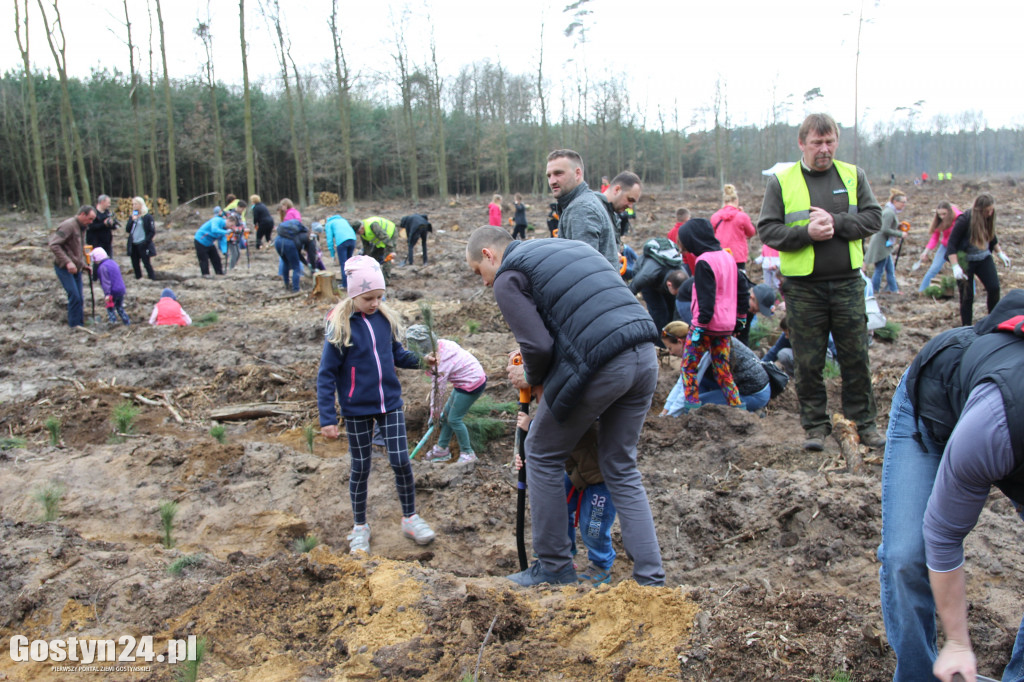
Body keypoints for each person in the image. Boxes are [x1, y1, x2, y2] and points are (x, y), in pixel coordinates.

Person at [465, 225, 664, 587]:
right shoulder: (569, 247)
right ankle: (651, 579)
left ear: (489, 256)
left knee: (541, 452)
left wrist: (529, 375)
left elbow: (538, 347)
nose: (484, 283)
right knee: (620, 464)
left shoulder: (509, 275)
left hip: (604, 363)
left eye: (479, 273)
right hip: (644, 354)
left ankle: (555, 567)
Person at [878, 290, 1024, 682]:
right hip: (935, 407)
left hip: (999, 419)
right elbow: (943, 536)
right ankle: (917, 674)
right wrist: (958, 642)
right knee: (906, 555)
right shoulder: (994, 425)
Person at [756, 112, 884, 452]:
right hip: (803, 289)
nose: (824, 149)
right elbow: (767, 230)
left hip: (847, 284)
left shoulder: (853, 175)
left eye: (830, 142)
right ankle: (815, 425)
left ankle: (864, 424)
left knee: (855, 356)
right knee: (808, 361)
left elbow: (874, 217)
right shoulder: (781, 181)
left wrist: (837, 223)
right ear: (802, 144)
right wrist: (806, 233)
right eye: (817, 143)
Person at [316, 256, 436, 554]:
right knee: (360, 466)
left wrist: (422, 361)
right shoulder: (340, 327)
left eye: (380, 297)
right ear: (353, 294)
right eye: (368, 297)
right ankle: (360, 527)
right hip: (356, 409)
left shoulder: (384, 319)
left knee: (401, 460)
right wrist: (327, 418)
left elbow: (396, 353)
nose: (375, 303)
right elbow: (326, 375)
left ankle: (410, 517)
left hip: (390, 404)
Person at [514, 405, 616, 586]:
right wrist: (526, 455)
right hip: (576, 472)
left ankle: (601, 566)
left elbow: (566, 430)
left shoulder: (585, 401)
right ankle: (564, 552)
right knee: (558, 508)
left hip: (601, 479)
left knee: (593, 527)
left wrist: (533, 426)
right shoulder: (553, 402)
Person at [675, 218, 744, 411]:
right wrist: (740, 320)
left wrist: (698, 329)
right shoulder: (727, 256)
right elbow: (742, 288)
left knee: (689, 367)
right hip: (725, 327)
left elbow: (706, 299)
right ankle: (738, 408)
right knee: (723, 370)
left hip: (705, 326)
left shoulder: (704, 261)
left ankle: (692, 409)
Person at [405, 324, 487, 464]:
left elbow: (438, 393)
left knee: (454, 419)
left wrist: (434, 416)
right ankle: (442, 449)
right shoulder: (442, 344)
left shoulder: (440, 365)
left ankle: (468, 453)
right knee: (447, 416)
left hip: (472, 384)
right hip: (464, 381)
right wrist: (438, 416)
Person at [660, 321, 771, 413]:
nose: (670, 353)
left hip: (754, 394)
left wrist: (671, 416)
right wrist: (665, 410)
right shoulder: (697, 339)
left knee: (696, 408)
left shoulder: (702, 349)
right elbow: (683, 382)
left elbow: (688, 388)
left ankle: (748, 412)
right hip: (743, 385)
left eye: (670, 348)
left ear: (680, 342)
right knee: (700, 383)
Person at [947, 193, 1010, 326]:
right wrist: (955, 266)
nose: (990, 213)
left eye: (991, 210)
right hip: (966, 261)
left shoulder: (989, 217)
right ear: (978, 210)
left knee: (994, 288)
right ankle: (966, 327)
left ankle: (993, 322)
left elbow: (991, 236)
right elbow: (951, 244)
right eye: (987, 211)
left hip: (983, 258)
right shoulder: (964, 220)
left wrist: (1000, 253)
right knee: (967, 297)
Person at [548, 149, 619, 268]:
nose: (552, 181)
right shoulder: (583, 202)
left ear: (577, 173)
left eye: (558, 173)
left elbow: (584, 269)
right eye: (549, 175)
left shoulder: (581, 209)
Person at [48, 205, 95, 328]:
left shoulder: (82, 227)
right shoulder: (68, 226)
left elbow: (75, 250)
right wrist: (68, 262)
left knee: (80, 298)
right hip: (63, 268)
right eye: (89, 219)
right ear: (82, 215)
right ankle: (74, 326)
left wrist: (83, 265)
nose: (91, 222)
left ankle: (80, 323)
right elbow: (54, 245)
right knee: (74, 296)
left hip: (76, 268)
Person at [630, 236, 683, 342]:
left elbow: (682, 306)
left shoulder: (683, 275)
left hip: (664, 281)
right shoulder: (646, 276)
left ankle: (671, 338)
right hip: (647, 280)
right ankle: (659, 341)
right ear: (669, 285)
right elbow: (630, 290)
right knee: (660, 311)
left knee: (673, 307)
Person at [865, 188, 907, 295]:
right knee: (880, 269)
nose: (904, 205)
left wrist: (898, 226)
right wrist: (900, 234)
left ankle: (893, 290)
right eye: (902, 202)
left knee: (890, 270)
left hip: (885, 245)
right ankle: (874, 291)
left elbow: (887, 225)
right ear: (895, 202)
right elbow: (884, 229)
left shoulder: (890, 211)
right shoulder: (889, 213)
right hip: (881, 245)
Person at [915, 201, 962, 293]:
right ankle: (922, 291)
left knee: (965, 269)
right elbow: (934, 237)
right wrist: (925, 252)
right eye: (940, 214)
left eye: (944, 214)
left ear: (950, 211)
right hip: (945, 247)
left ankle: (971, 293)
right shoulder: (940, 220)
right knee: (934, 268)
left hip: (958, 247)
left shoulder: (959, 218)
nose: (942, 217)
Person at [711, 184, 756, 269]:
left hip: (720, 254)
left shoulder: (715, 216)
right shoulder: (742, 216)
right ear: (736, 200)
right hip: (738, 255)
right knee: (739, 280)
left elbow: (711, 234)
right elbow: (751, 232)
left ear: (724, 202)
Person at [90, 247, 129, 326]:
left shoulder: (102, 267)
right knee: (119, 307)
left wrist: (107, 294)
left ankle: (113, 322)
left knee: (110, 308)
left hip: (112, 292)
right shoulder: (112, 262)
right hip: (120, 289)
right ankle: (126, 321)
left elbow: (105, 282)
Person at [599, 171, 643, 240]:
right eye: (629, 199)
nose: (630, 206)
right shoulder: (593, 212)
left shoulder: (613, 213)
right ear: (617, 190)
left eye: (633, 202)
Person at [125, 196, 156, 280]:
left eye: (136, 204)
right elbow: (127, 229)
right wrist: (132, 220)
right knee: (135, 264)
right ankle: (138, 278)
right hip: (134, 243)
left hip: (143, 243)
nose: (134, 206)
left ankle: (152, 278)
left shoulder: (147, 217)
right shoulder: (133, 216)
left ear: (140, 204)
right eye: (133, 204)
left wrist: (146, 242)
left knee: (146, 263)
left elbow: (152, 231)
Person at [275, 218, 308, 292]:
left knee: (285, 262)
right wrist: (307, 263)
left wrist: (306, 263)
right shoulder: (302, 236)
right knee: (296, 267)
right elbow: (299, 254)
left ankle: (286, 284)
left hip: (277, 241)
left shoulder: (288, 230)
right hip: (289, 244)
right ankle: (296, 289)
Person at [324, 215, 358, 286]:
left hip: (341, 241)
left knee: (344, 263)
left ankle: (345, 284)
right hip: (352, 239)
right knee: (350, 262)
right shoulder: (343, 220)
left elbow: (329, 239)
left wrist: (332, 254)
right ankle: (353, 282)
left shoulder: (329, 223)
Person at [194, 211, 230, 276]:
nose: (231, 227)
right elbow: (214, 229)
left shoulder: (224, 229)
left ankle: (219, 273)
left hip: (210, 243)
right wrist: (226, 232)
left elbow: (223, 241)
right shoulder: (217, 220)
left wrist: (225, 251)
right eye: (232, 225)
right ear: (228, 221)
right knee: (204, 259)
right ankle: (205, 274)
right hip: (200, 240)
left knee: (216, 258)